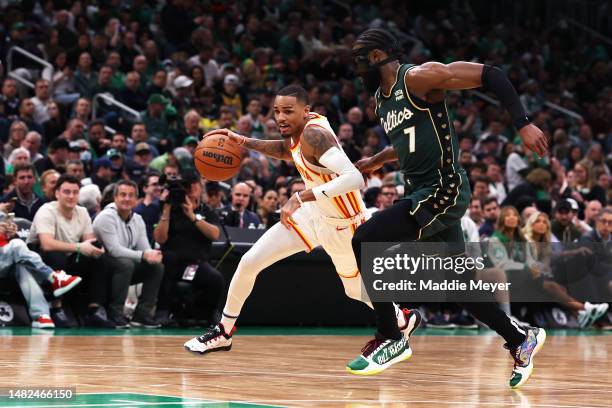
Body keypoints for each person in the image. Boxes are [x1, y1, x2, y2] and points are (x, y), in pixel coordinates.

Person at [348, 29, 548, 385]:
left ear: (378, 57)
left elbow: (492, 74)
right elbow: (408, 142)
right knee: (459, 286)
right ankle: (520, 339)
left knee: (365, 238)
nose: (357, 66)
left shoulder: (421, 77)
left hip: (444, 189)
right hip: (419, 189)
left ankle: (392, 336)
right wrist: (378, 158)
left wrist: (523, 123)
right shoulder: (382, 99)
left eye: (361, 58)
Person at [184, 85, 420, 355]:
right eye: (276, 112)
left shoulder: (314, 134)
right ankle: (224, 331)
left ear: (305, 111)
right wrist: (244, 142)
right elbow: (288, 150)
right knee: (250, 261)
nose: (280, 117)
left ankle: (402, 318)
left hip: (343, 222)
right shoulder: (299, 134)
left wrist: (300, 197)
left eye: (288, 111)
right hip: (313, 214)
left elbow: (354, 178)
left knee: (354, 291)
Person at [28, 175, 113, 328]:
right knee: (56, 256)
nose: (71, 196)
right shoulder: (46, 210)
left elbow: (89, 241)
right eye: (67, 192)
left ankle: (95, 311)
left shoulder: (82, 212)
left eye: (75, 192)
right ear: (57, 194)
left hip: (69, 258)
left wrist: (96, 249)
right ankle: (56, 308)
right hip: (40, 261)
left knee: (97, 259)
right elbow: (46, 244)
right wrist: (80, 247)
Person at [154, 175, 225, 325]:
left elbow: (215, 234)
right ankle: (162, 311)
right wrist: (166, 212)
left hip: (196, 264)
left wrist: (192, 216)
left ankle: (208, 312)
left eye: (195, 184)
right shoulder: (170, 208)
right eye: (188, 184)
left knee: (215, 279)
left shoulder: (206, 210)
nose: (192, 188)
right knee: (165, 268)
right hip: (171, 261)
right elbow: (160, 238)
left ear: (201, 187)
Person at [93, 180, 164, 328]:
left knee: (157, 267)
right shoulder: (106, 217)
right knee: (125, 264)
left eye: (131, 195)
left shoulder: (137, 219)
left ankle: (142, 314)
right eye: (123, 195)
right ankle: (116, 312)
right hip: (101, 263)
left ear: (136, 199)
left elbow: (144, 247)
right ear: (115, 197)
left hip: (125, 265)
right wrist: (144, 254)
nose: (127, 199)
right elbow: (114, 250)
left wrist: (153, 255)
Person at [0, 217, 82, 328]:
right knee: (17, 244)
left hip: (7, 262)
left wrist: (11, 233)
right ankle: (53, 277)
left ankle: (41, 316)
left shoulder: (2, 217)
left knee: (22, 264)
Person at [134, 173, 162, 245]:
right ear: (145, 188)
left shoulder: (165, 208)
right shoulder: (137, 210)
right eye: (154, 184)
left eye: (160, 184)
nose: (159, 187)